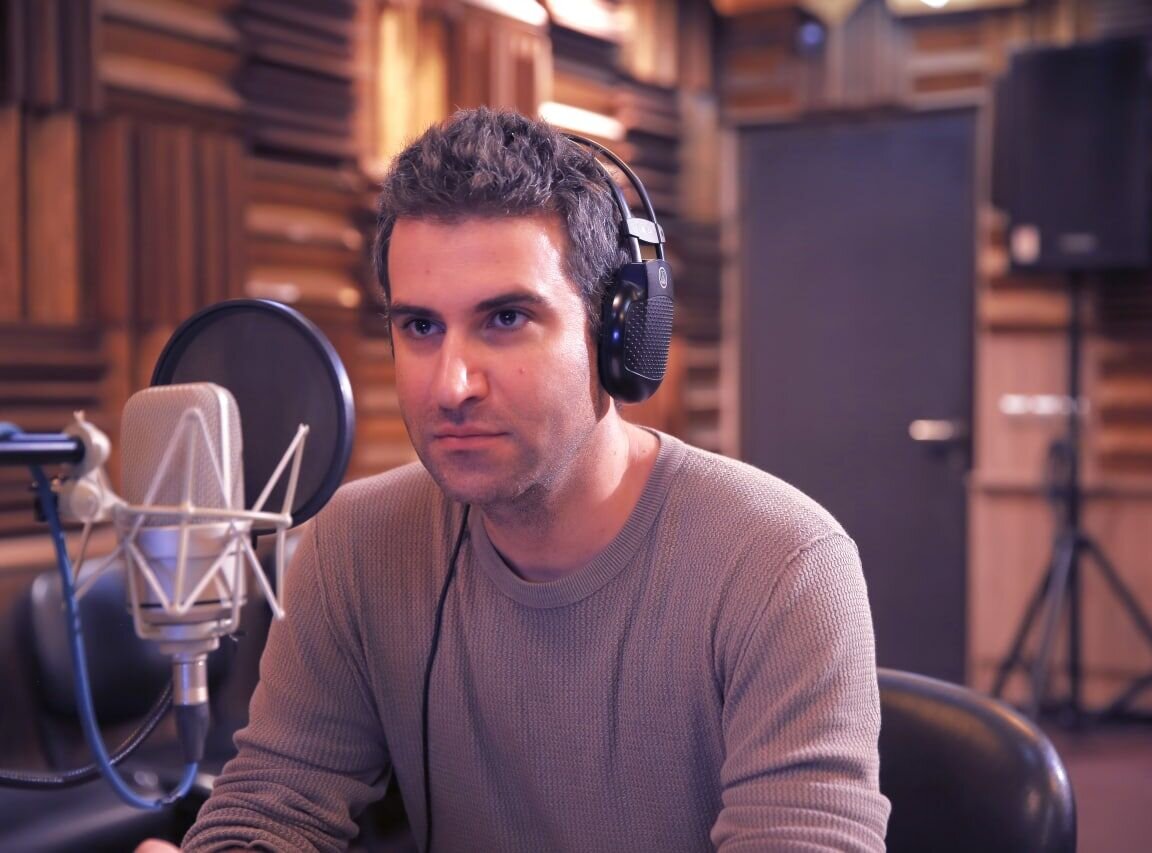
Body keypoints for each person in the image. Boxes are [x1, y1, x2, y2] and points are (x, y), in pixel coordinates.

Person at [142, 107, 889, 852]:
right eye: (421, 327)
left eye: (505, 319)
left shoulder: (781, 563)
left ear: (617, 336)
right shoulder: (356, 543)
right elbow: (274, 808)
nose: (451, 386)